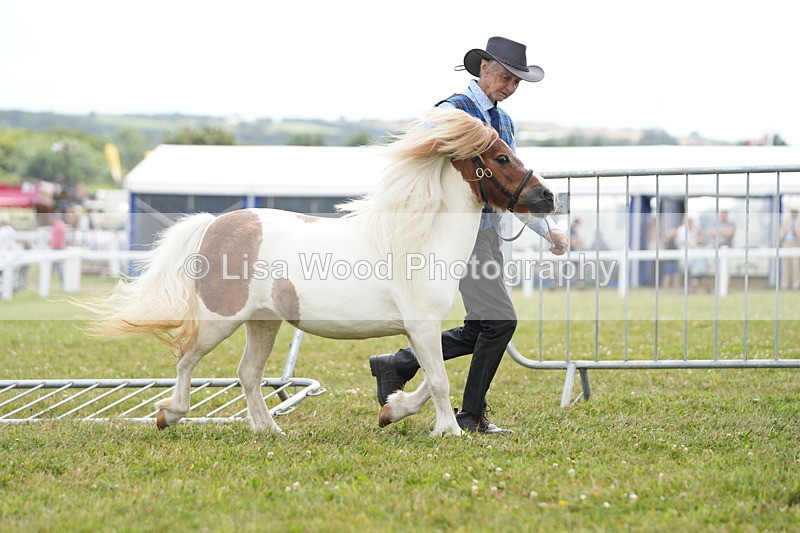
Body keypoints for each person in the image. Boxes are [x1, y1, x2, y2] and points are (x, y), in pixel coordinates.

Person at [369, 37, 569, 434]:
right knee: (500, 322)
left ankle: (399, 364)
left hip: (486, 235)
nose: (510, 87)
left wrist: (547, 228)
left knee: (481, 325)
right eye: (506, 77)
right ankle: (470, 414)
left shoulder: (505, 122)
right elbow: (418, 164)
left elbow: (509, 184)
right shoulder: (451, 111)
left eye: (517, 81)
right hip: (453, 237)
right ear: (484, 69)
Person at [780, 208, 800, 290]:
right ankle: (785, 283)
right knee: (785, 265)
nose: (793, 213)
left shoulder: (798, 222)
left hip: (796, 244)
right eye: (792, 212)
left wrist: (795, 231)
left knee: (796, 265)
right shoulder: (786, 220)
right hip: (786, 244)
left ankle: (796, 284)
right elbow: (782, 232)